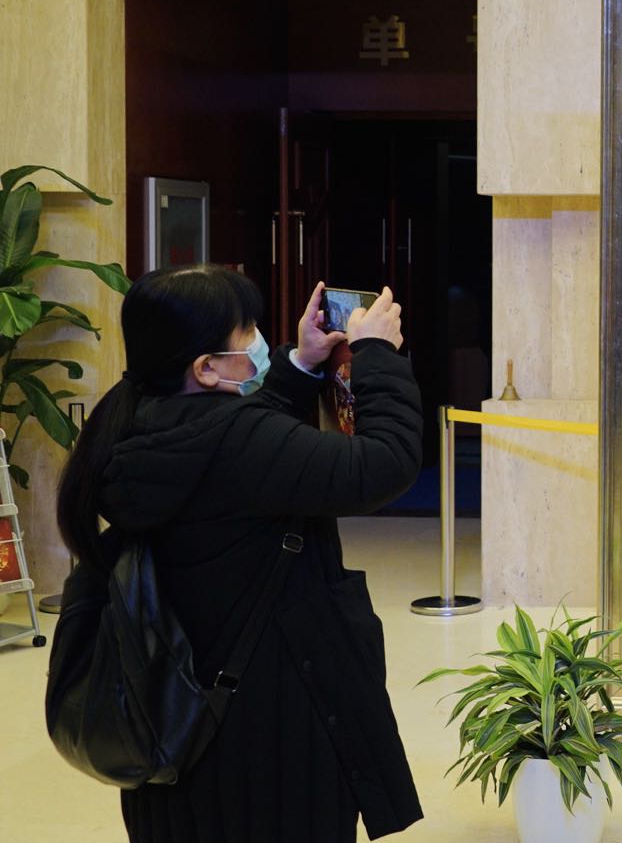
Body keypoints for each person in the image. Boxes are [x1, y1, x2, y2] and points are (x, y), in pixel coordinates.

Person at [54, 268, 423, 842]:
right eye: (245, 331)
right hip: (274, 743)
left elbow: (253, 442)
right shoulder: (238, 443)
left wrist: (301, 363)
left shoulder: (137, 423)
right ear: (205, 368)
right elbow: (385, 462)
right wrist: (377, 354)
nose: (258, 341)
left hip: (181, 735)